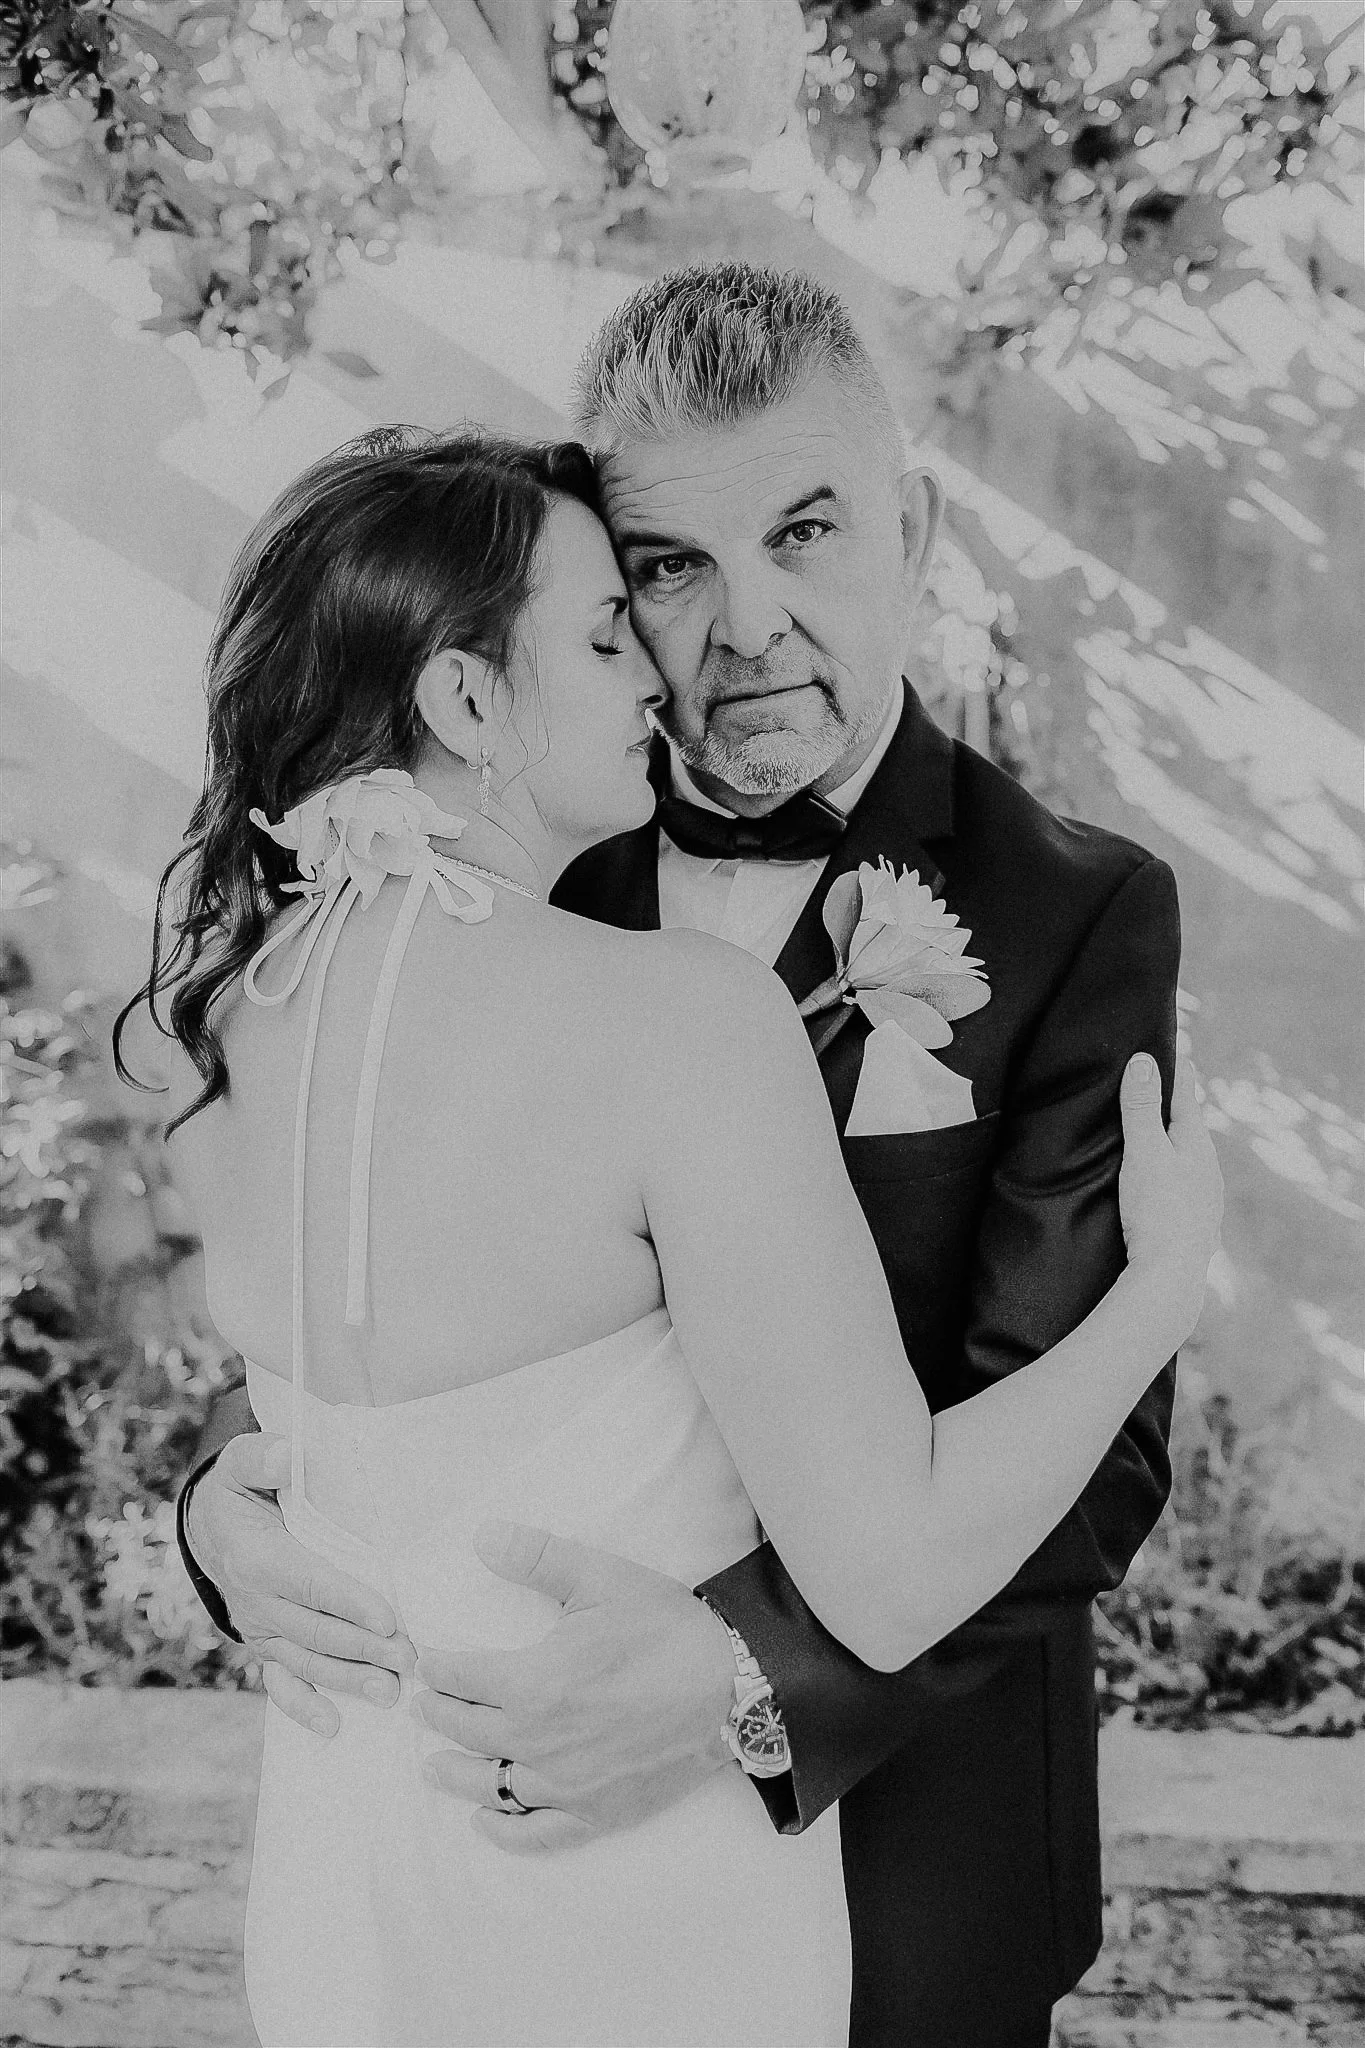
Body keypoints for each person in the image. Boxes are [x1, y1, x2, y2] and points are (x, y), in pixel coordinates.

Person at [169, 268, 1216, 2046]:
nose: (746, 628)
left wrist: (742, 1675)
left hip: (909, 1855)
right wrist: (226, 1507)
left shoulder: (1077, 907)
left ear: (916, 528)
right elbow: (381, 1255)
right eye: (664, 567)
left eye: (806, 533)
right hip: (485, 1840)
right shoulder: (524, 849)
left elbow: (1086, 1443)